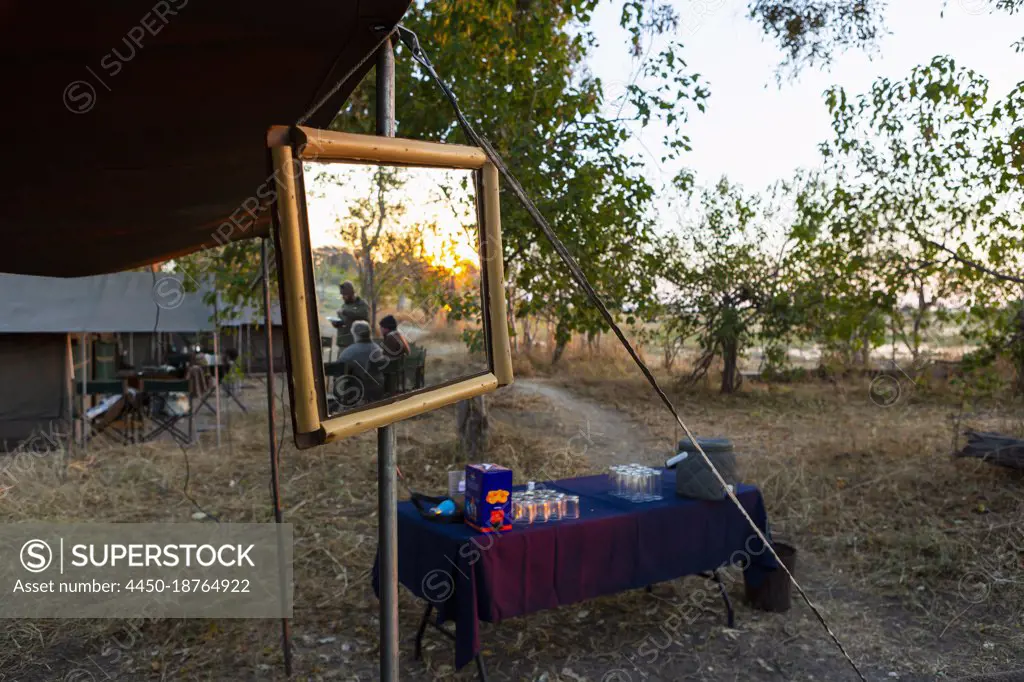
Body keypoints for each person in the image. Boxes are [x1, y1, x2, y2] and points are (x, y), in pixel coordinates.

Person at [337, 320, 384, 399]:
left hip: (356, 393)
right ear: (369, 333)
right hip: (377, 391)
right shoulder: (378, 350)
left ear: (354, 334)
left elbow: (338, 372)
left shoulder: (348, 352)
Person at [332, 281, 370, 350]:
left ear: (351, 293)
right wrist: (336, 323)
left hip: (355, 343)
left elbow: (362, 315)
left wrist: (345, 312)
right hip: (343, 343)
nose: (343, 297)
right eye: (342, 294)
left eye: (344, 295)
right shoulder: (344, 306)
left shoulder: (361, 304)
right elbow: (344, 322)